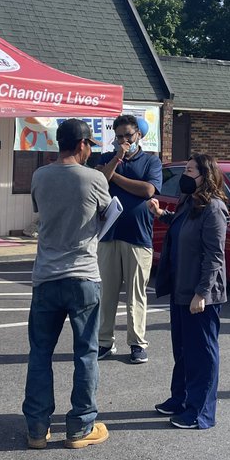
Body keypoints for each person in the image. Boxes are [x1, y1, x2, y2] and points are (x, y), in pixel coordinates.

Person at [22, 119, 113, 449]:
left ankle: (36, 428)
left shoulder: (39, 176)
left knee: (40, 353)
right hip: (84, 275)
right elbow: (106, 215)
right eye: (89, 144)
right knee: (85, 353)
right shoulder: (94, 179)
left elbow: (41, 212)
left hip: (46, 275)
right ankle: (80, 426)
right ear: (82, 145)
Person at [147, 153, 229, 429]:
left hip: (201, 296)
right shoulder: (189, 202)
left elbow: (214, 256)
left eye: (191, 170)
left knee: (202, 354)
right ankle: (179, 399)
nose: (185, 174)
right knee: (182, 350)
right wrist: (162, 215)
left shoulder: (214, 209)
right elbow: (183, 226)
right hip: (181, 290)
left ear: (205, 177)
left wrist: (202, 293)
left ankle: (200, 412)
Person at [95, 114, 163, 364]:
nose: (124, 140)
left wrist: (114, 177)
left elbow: (147, 190)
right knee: (108, 293)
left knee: (136, 294)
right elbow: (100, 181)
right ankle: (104, 342)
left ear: (139, 136)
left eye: (128, 136)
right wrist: (115, 161)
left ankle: (137, 343)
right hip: (108, 234)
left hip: (138, 236)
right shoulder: (106, 159)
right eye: (119, 136)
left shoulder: (150, 162)